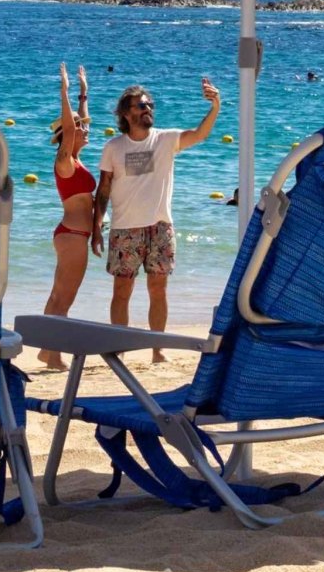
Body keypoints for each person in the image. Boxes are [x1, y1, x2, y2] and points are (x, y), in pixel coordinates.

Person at [93, 78, 221, 361]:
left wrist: (215, 106)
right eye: (141, 105)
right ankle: (119, 349)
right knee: (122, 290)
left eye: (150, 104)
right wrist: (96, 228)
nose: (148, 108)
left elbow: (199, 134)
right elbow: (102, 190)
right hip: (124, 228)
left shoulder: (165, 139)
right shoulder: (113, 147)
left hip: (161, 226)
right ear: (126, 114)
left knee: (158, 289)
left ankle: (158, 349)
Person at [37, 63, 93, 370]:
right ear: (66, 137)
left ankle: (47, 351)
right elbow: (73, 128)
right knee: (64, 298)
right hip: (72, 236)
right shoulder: (65, 162)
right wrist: (65, 91)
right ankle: (53, 353)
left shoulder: (77, 161)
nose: (85, 130)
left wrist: (84, 93)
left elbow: (81, 123)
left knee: (59, 295)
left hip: (72, 235)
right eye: (77, 129)